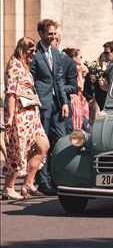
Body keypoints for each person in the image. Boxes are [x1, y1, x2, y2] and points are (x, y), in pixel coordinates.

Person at [2, 37, 50, 200]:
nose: (34, 54)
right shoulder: (15, 64)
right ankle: (8, 187)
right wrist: (10, 117)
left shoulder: (25, 65)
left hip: (32, 116)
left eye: (35, 51)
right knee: (18, 152)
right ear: (23, 49)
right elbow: (11, 92)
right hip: (20, 116)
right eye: (31, 51)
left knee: (43, 146)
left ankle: (28, 183)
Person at [30, 19, 68, 195]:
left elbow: (59, 80)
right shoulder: (34, 53)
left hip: (57, 104)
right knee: (42, 144)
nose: (53, 36)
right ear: (41, 34)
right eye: (49, 33)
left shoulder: (56, 52)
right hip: (42, 104)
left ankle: (57, 177)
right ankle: (43, 181)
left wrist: (65, 102)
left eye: (54, 33)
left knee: (60, 140)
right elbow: (31, 80)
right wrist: (35, 102)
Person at [53, 33, 78, 134]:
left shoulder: (68, 62)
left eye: (53, 40)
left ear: (57, 41)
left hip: (62, 107)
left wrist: (57, 88)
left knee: (64, 138)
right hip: (46, 106)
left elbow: (73, 88)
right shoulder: (39, 58)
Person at [63, 48, 89, 130]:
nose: (81, 59)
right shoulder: (77, 68)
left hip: (79, 97)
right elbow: (81, 86)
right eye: (80, 57)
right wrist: (81, 74)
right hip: (75, 98)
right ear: (74, 57)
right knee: (77, 119)